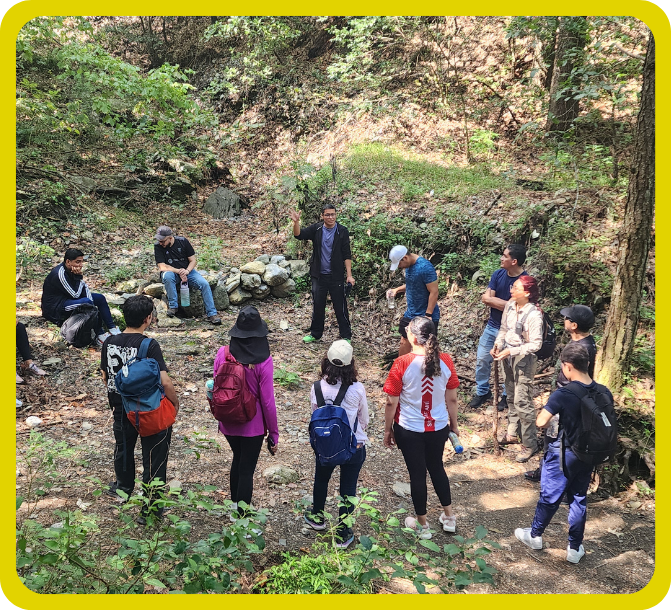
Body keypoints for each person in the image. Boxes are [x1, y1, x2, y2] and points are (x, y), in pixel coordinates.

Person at [515, 342, 611, 564]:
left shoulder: (564, 393)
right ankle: (574, 548)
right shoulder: (603, 391)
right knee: (578, 498)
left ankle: (535, 535)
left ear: (567, 366)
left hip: (564, 454)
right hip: (589, 454)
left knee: (550, 496)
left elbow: (541, 422)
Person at [100, 295, 179, 523]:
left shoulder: (108, 342)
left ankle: (123, 487)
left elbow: (105, 376)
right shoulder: (149, 345)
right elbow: (165, 381)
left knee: (123, 448)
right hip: (147, 409)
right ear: (148, 318)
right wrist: (174, 403)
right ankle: (151, 509)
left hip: (120, 406)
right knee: (154, 456)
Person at [383, 316, 459, 539]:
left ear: (414, 337)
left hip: (409, 428)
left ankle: (422, 525)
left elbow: (391, 402)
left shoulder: (402, 363)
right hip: (438, 427)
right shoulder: (446, 360)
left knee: (417, 473)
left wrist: (387, 429)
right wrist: (454, 425)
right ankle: (449, 517)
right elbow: (452, 398)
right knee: (437, 467)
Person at [213, 306, 279, 517]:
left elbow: (215, 385)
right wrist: (273, 433)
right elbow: (267, 402)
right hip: (253, 424)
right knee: (246, 469)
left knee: (238, 458)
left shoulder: (223, 353)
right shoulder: (264, 361)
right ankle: (242, 518)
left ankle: (235, 508)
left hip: (227, 419)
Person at [303, 340, 369, 549]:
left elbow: (315, 415)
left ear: (326, 361)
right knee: (348, 487)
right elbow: (364, 419)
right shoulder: (357, 389)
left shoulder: (317, 387)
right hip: (353, 446)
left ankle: (317, 517)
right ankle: (343, 531)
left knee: (321, 479)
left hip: (326, 445)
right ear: (351, 364)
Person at [525, 305, 597, 481]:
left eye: (567, 318)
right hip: (565, 395)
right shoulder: (584, 342)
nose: (564, 320)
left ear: (574, 325)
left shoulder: (583, 348)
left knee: (556, 438)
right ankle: (545, 470)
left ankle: (553, 476)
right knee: (553, 437)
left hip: (568, 399)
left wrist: (562, 400)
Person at [491, 275, 544, 463]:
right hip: (507, 355)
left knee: (523, 400)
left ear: (527, 293)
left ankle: (530, 444)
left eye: (516, 288)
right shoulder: (509, 306)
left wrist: (511, 351)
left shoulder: (534, 315)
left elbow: (536, 344)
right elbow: (504, 329)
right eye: (512, 287)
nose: (511, 290)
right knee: (511, 396)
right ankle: (512, 432)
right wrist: (498, 345)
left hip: (523, 358)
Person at [469, 244, 528, 410]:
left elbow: (514, 308)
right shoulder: (498, 274)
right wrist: (504, 303)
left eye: (505, 256)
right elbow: (485, 298)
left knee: (508, 364)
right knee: (482, 359)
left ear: (514, 261)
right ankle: (482, 391)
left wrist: (493, 301)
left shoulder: (524, 281)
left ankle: (506, 395)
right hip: (492, 325)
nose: (501, 259)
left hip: (512, 330)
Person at [290, 204, 354, 343]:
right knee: (318, 305)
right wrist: (296, 223)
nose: (331, 217)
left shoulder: (342, 231)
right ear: (322, 216)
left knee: (340, 306)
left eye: (333, 214)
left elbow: (346, 254)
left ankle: (346, 336)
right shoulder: (317, 229)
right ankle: (315, 334)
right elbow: (298, 235)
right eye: (327, 215)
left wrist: (349, 275)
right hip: (318, 275)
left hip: (336, 275)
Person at [41, 248, 121, 346]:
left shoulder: (71, 271)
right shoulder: (60, 274)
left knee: (100, 298)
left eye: (82, 262)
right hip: (57, 307)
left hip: (69, 298)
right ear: (68, 262)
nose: (80, 265)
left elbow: (80, 291)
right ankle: (100, 334)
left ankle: (113, 329)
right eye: (77, 262)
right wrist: (79, 278)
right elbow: (75, 294)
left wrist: (80, 281)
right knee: (87, 302)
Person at [153, 226, 222, 325]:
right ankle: (173, 307)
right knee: (168, 277)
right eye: (159, 240)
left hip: (188, 271)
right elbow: (162, 266)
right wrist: (178, 271)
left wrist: (187, 271)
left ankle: (212, 313)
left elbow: (193, 260)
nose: (161, 243)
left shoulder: (183, 242)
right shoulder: (158, 246)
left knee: (204, 284)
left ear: (170, 238)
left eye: (163, 241)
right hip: (172, 272)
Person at [387, 246, 439, 357]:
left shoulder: (425, 267)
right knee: (404, 340)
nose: (399, 267)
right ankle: (401, 365)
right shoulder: (409, 266)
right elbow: (413, 283)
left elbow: (434, 291)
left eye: (399, 264)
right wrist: (396, 290)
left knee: (426, 345)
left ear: (405, 258)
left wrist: (428, 315)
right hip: (411, 312)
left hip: (425, 314)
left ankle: (428, 367)